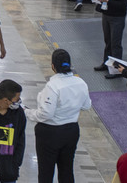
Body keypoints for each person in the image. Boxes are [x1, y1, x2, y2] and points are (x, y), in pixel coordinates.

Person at [24, 50, 92, 183]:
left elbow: (46, 114)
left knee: (46, 172)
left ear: (53, 66)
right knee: (67, 170)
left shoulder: (53, 86)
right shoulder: (81, 83)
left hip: (50, 134)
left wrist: (28, 112)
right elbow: (86, 106)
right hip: (71, 131)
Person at [91, 0, 127, 75]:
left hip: (117, 18)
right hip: (106, 15)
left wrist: (108, 1)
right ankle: (106, 63)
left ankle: (117, 69)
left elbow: (123, 5)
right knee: (108, 41)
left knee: (115, 44)